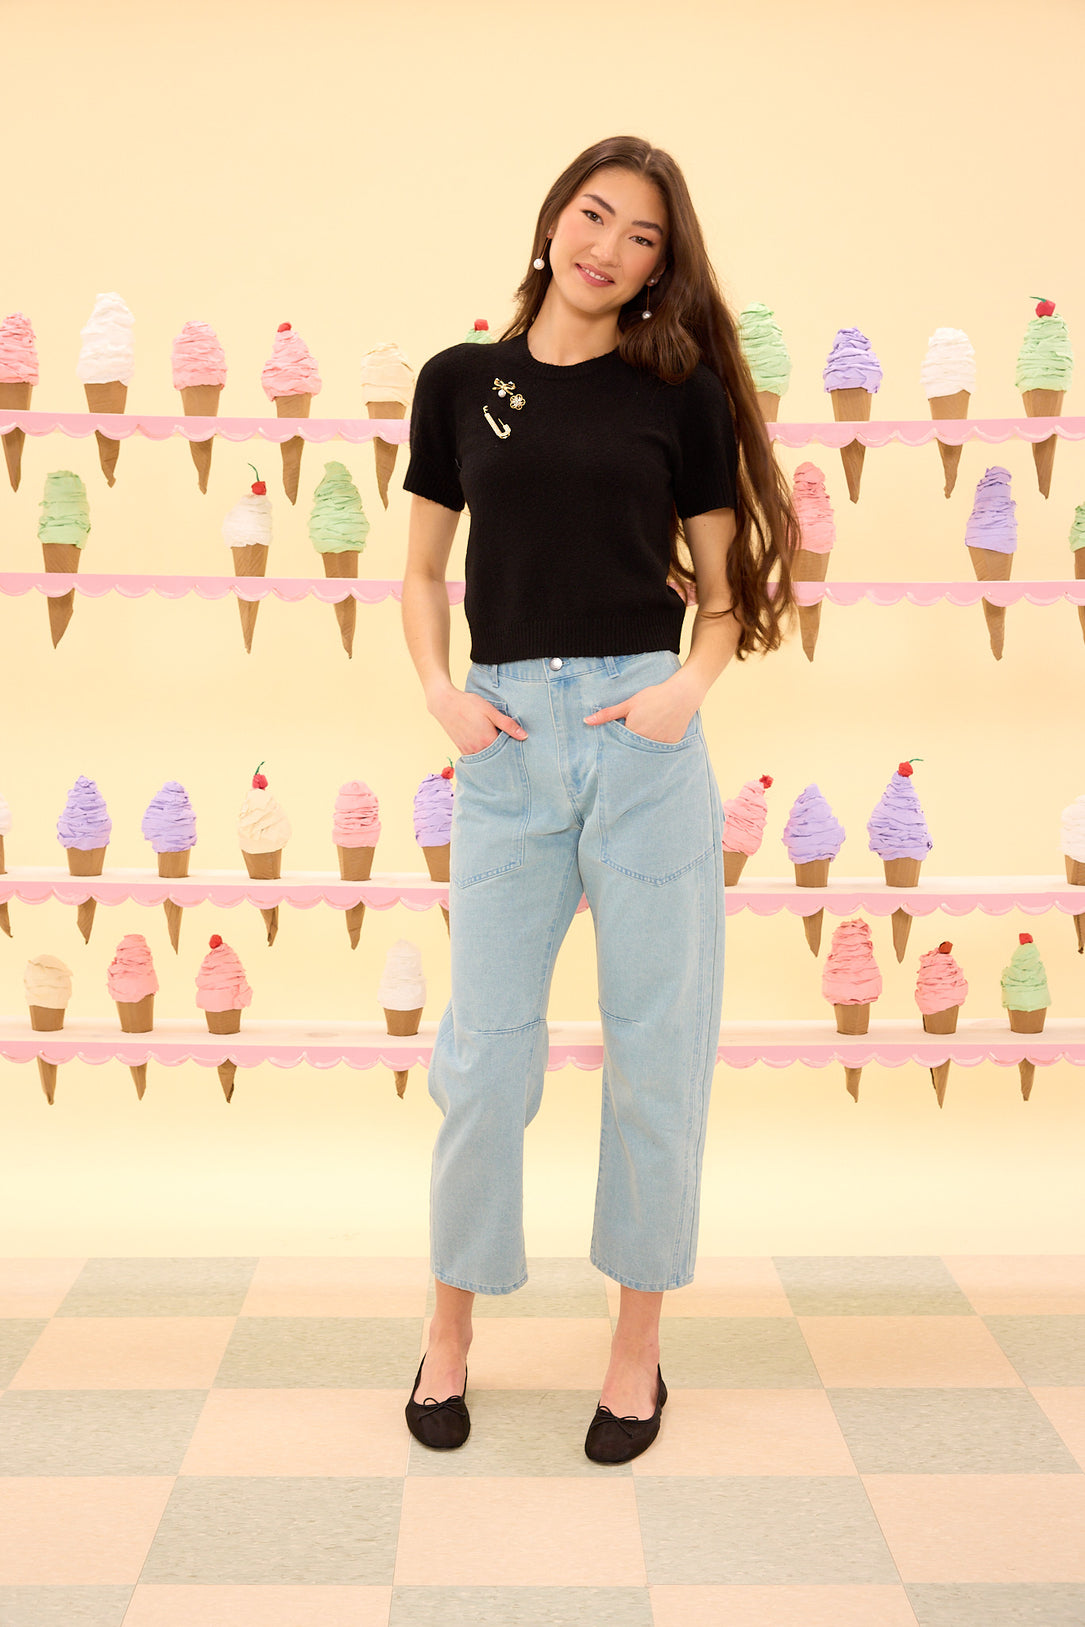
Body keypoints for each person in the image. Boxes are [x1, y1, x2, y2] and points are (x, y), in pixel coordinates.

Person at [399, 134, 798, 1462]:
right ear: (551, 221)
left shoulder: (672, 392)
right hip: (505, 737)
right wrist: (440, 693)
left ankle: (636, 1359)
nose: (607, 247)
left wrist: (688, 687)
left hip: (640, 739)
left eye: (641, 237)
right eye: (593, 214)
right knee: (481, 1059)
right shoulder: (460, 383)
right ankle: (447, 1336)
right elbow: (418, 573)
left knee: (655, 1056)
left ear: (657, 271)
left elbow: (723, 581)